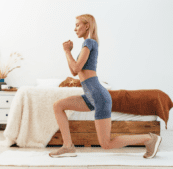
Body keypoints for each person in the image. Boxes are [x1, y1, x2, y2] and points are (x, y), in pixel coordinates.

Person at [49, 14, 162, 158]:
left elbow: (76, 68)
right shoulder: (87, 44)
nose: (74, 29)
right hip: (91, 96)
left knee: (106, 144)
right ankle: (68, 146)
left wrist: (66, 51)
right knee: (58, 105)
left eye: (77, 25)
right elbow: (74, 70)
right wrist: (69, 53)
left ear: (87, 25)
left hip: (99, 96)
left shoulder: (89, 42)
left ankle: (149, 138)